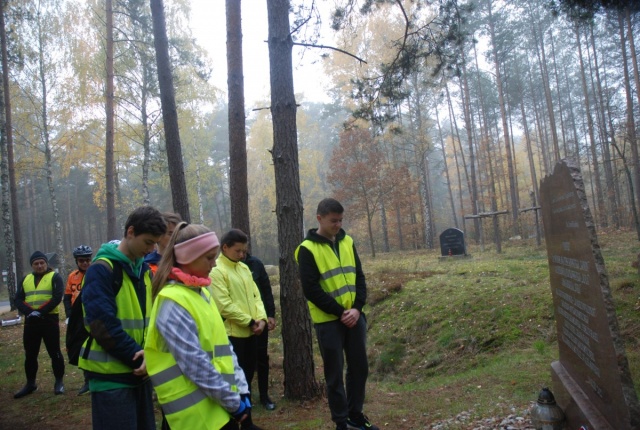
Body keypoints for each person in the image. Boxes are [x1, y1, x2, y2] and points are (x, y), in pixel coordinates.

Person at [145, 222, 260, 430]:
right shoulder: (172, 302)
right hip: (195, 418)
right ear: (187, 257)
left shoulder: (203, 294)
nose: (214, 264)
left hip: (218, 409)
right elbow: (196, 365)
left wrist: (242, 390)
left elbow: (224, 347)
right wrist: (234, 404)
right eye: (209, 258)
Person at [79, 206, 166, 430]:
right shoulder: (101, 270)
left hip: (140, 375)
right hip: (111, 379)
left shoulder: (143, 271)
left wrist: (150, 357)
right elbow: (102, 325)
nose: (152, 249)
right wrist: (139, 359)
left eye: (155, 243)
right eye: (148, 242)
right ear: (130, 232)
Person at [295, 198, 378, 430]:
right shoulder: (307, 249)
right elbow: (311, 290)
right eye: (333, 220)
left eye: (341, 220)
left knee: (359, 368)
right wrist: (341, 312)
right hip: (328, 322)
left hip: (355, 317)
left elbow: (359, 276)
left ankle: (355, 415)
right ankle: (341, 422)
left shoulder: (347, 241)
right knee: (334, 375)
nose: (338, 225)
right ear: (319, 218)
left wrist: (357, 308)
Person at [209, 229, 267, 430]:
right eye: (238, 251)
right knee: (233, 381)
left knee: (247, 378)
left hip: (251, 333)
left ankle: (247, 421)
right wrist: (249, 321)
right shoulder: (217, 270)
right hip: (232, 335)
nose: (242, 255)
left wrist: (261, 319)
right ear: (224, 247)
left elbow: (256, 296)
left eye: (244, 251)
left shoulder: (243, 268)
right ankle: (233, 421)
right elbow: (223, 305)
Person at [14, 251, 66, 398]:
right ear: (32, 265)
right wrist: (29, 312)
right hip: (31, 321)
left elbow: (57, 297)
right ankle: (30, 384)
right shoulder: (26, 279)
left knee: (55, 352)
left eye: (42, 263)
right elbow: (18, 299)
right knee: (30, 354)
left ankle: (59, 382)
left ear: (46, 263)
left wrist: (41, 312)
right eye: (36, 263)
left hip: (49, 320)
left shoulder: (55, 277)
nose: (39, 266)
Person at [243, 252, 276, 411]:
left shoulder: (256, 264)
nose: (241, 253)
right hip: (240, 323)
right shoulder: (223, 268)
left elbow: (266, 290)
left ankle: (264, 396)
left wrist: (270, 314)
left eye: (243, 249)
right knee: (243, 361)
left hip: (260, 321)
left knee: (262, 358)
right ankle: (245, 398)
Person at [64, 244, 93, 395]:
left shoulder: (96, 273)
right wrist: (69, 315)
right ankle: (87, 379)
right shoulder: (72, 276)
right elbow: (67, 297)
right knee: (79, 347)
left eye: (87, 260)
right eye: (81, 260)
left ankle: (94, 378)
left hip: (91, 315)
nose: (85, 263)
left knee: (92, 347)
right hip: (77, 318)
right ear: (76, 261)